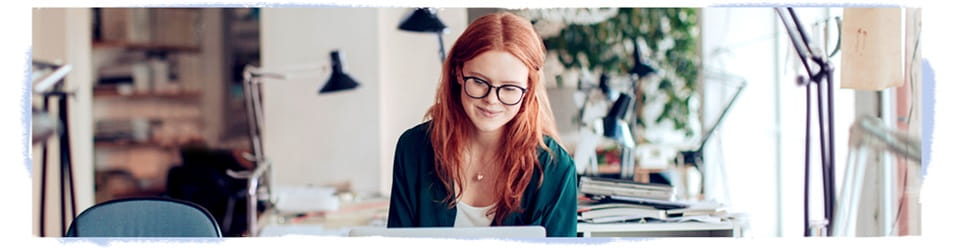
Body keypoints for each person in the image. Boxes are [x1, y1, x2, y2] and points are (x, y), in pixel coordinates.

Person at [387, 12, 577, 237]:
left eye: (509, 88)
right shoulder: (414, 148)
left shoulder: (556, 169)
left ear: (528, 90)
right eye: (478, 81)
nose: (492, 100)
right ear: (458, 73)